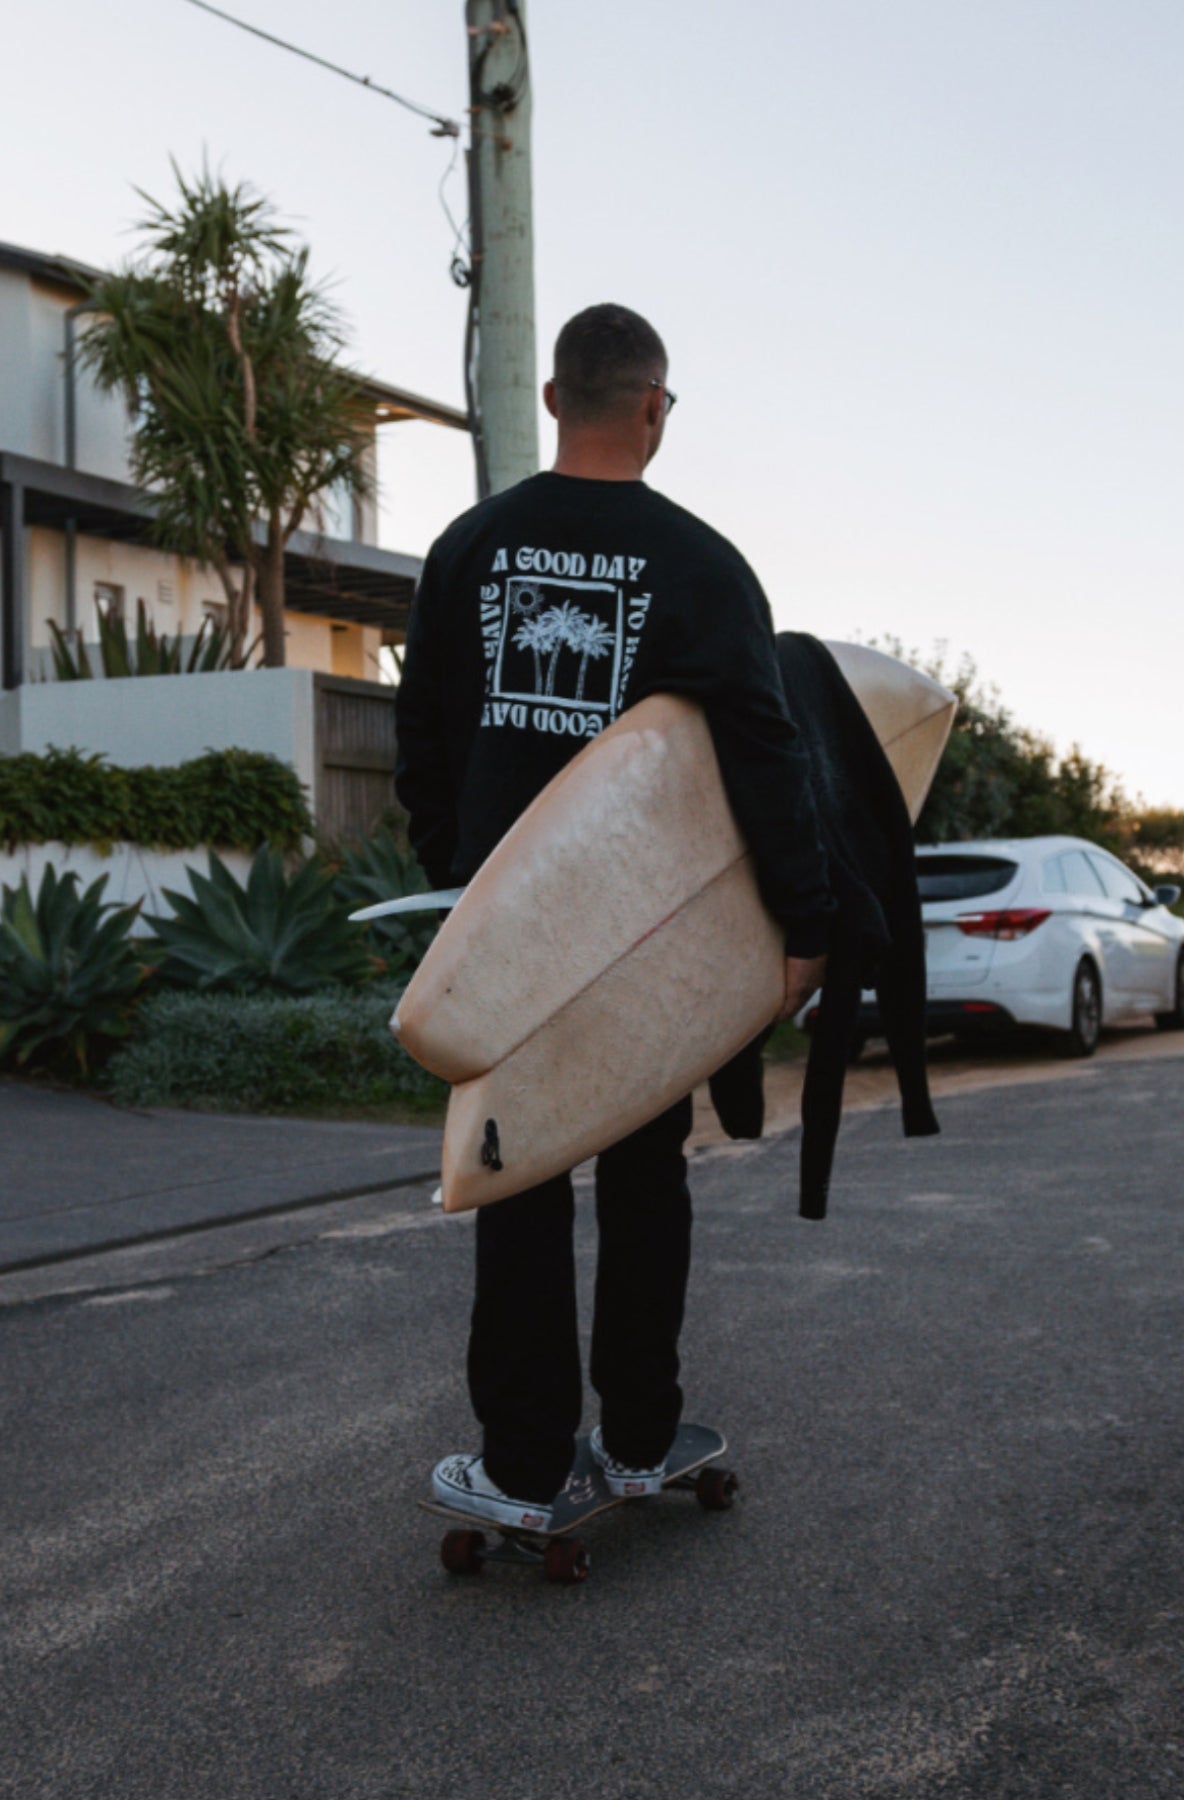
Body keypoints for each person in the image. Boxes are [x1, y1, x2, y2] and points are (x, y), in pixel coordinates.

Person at [395, 303, 835, 1530]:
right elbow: (763, 751)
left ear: (551, 400)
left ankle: (527, 1464)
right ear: (655, 409)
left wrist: (468, 885)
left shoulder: (469, 548)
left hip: (513, 933)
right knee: (647, 1174)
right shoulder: (702, 564)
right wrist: (802, 924)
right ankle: (641, 1436)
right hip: (643, 937)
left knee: (515, 1172)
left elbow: (421, 737)